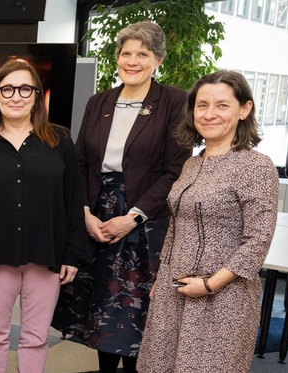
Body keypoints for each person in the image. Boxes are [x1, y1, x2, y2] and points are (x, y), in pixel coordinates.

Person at [54, 20, 190, 373]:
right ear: (117, 58)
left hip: (143, 223)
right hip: (97, 218)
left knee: (133, 315)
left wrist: (133, 216)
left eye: (142, 54)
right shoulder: (100, 101)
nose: (132, 60)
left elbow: (175, 171)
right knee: (98, 313)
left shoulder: (175, 102)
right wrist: (84, 212)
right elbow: (81, 162)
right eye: (126, 53)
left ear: (158, 60)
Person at [137, 70, 278, 372]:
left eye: (222, 105)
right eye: (202, 105)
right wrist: (162, 279)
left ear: (245, 109)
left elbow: (258, 240)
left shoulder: (255, 166)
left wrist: (211, 284)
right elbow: (176, 226)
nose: (210, 114)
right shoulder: (192, 163)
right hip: (175, 290)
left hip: (223, 296)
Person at [0, 59, 86, 373]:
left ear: (37, 94)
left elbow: (75, 199)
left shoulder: (59, 141)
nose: (16, 96)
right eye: (7, 89)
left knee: (35, 337)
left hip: (46, 254)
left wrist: (73, 255)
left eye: (25, 88)